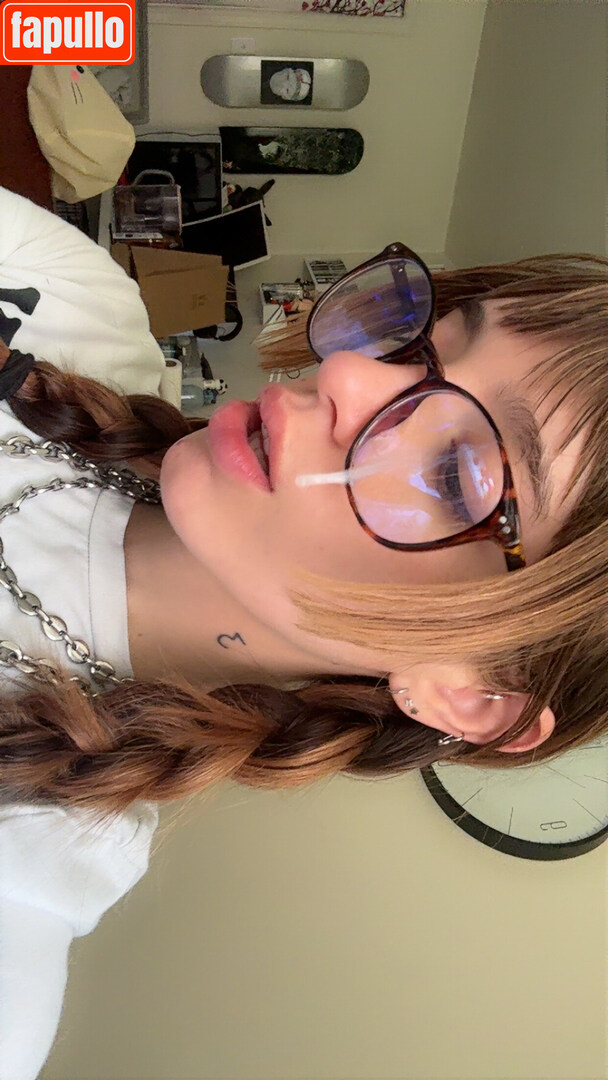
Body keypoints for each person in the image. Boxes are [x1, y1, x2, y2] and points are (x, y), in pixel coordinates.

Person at [1, 187, 607, 1077]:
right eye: (426, 341)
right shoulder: (74, 298)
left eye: (453, 471)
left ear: (467, 693)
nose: (350, 374)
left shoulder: (27, 878)